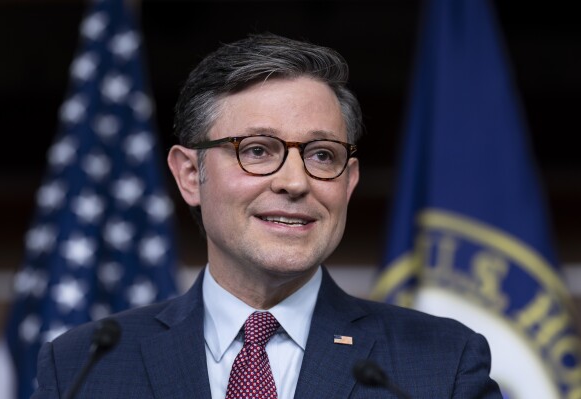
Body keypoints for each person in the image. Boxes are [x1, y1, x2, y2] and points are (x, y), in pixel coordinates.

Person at [32, 33, 502, 398]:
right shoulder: (84, 365)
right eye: (257, 150)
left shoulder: (440, 364)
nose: (295, 182)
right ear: (190, 175)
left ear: (349, 180)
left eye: (321, 155)